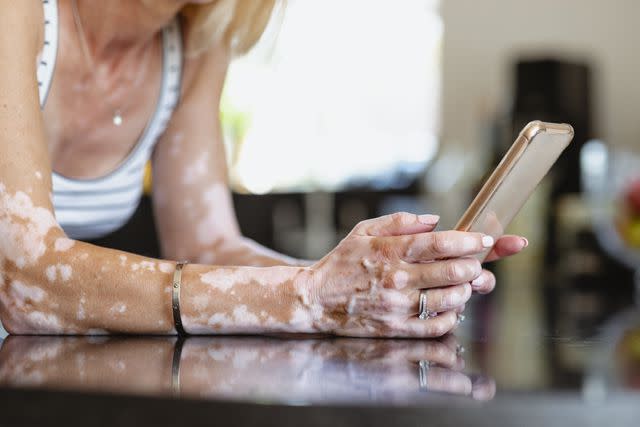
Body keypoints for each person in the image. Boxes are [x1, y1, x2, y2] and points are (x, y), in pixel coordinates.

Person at [0, 0, 527, 337]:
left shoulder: (193, 39)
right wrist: (312, 296)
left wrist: (372, 282)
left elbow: (209, 248)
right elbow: (24, 279)